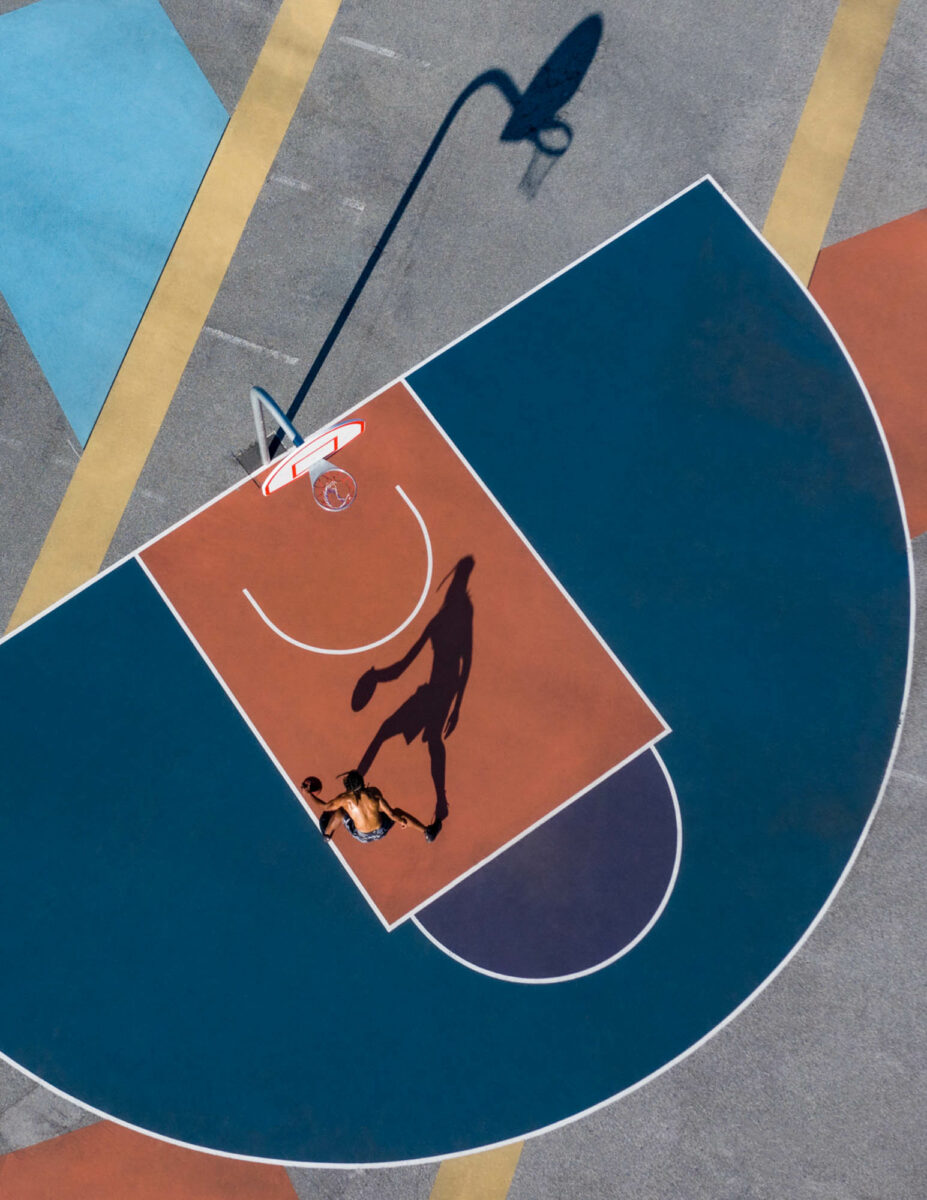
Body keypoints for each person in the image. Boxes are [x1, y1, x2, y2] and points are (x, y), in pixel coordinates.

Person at [302, 771, 440, 844]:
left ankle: (326, 836)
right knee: (398, 812)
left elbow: (325, 806)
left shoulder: (345, 799)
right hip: (381, 830)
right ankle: (427, 832)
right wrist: (401, 821)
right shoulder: (374, 793)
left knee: (339, 812)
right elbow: (392, 814)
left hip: (362, 837)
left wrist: (309, 794)